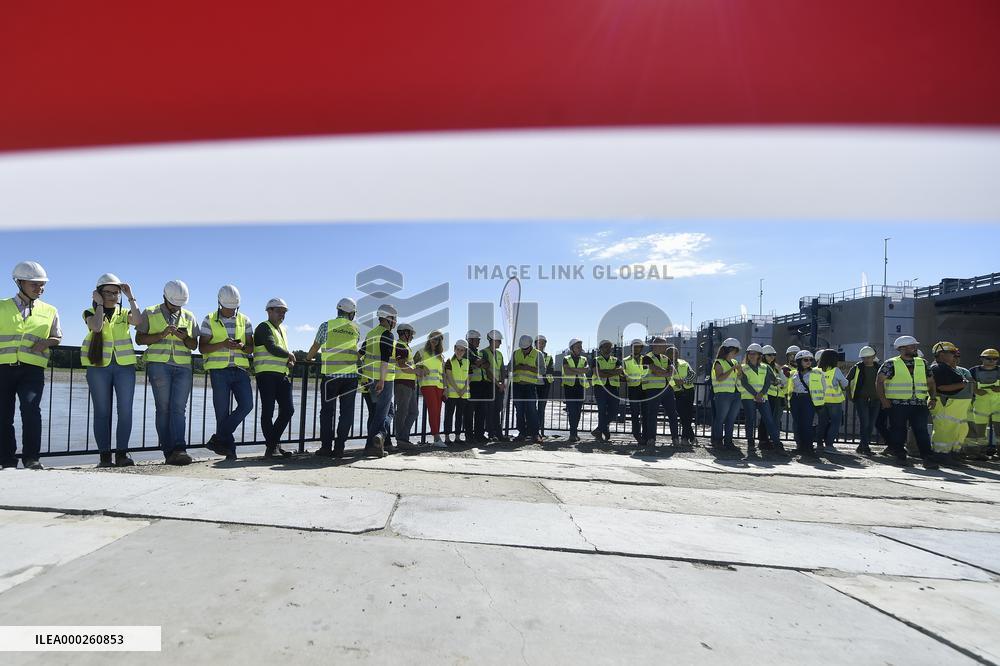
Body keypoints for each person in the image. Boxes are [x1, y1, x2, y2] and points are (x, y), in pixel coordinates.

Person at [0, 261, 62, 470]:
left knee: (31, 411)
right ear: (19, 282)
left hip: (32, 370)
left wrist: (46, 342)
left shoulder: (50, 310)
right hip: (3, 369)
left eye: (42, 284)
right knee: (3, 415)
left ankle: (31, 458)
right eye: (34, 284)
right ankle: (7, 459)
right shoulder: (2, 306)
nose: (39, 288)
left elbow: (57, 337)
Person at [135, 280, 198, 465]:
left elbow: (194, 345)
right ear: (164, 297)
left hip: (183, 366)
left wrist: (185, 337)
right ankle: (168, 451)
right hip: (159, 365)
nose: (176, 307)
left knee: (179, 409)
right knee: (163, 409)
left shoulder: (189, 315)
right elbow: (139, 339)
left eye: (179, 304)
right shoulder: (150, 312)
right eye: (173, 304)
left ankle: (180, 449)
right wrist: (161, 335)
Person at [82, 273, 141, 468]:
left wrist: (131, 296)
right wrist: (99, 305)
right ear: (99, 293)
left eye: (116, 292)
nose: (114, 296)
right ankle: (104, 457)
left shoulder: (124, 314)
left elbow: (139, 321)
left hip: (124, 367)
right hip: (98, 368)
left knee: (125, 412)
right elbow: (97, 327)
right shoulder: (88, 312)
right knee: (102, 412)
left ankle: (122, 454)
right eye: (108, 292)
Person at [200, 285, 255, 461]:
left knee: (247, 405)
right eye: (227, 308)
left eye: (234, 308)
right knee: (222, 413)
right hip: (218, 371)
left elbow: (250, 348)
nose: (231, 311)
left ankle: (218, 439)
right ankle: (230, 451)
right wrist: (222, 344)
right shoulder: (209, 320)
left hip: (240, 370)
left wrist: (241, 347)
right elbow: (202, 347)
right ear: (219, 303)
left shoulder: (245, 320)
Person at [306, 297, 360, 458]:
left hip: (331, 377)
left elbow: (315, 346)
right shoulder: (355, 329)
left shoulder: (326, 326)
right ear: (351, 313)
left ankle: (325, 448)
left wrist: (308, 359)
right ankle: (339, 448)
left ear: (338, 310)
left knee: (327, 412)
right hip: (350, 377)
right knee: (347, 413)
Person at [876, 335, 939, 469]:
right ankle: (900, 454)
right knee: (898, 430)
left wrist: (933, 398)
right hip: (898, 405)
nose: (915, 348)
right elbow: (879, 381)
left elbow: (931, 382)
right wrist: (884, 400)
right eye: (912, 346)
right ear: (902, 348)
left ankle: (928, 457)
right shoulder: (891, 363)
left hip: (919, 404)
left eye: (915, 346)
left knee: (921, 431)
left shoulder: (923, 363)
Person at [253, 298, 296, 459]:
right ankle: (273, 447)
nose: (282, 315)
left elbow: (279, 350)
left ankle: (272, 445)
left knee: (288, 410)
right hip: (266, 374)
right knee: (268, 412)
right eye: (278, 311)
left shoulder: (282, 330)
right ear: (269, 311)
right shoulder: (264, 327)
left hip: (281, 374)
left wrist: (288, 361)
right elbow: (271, 347)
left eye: (284, 312)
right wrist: (289, 354)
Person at [361, 304, 398, 456]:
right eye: (394, 319)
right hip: (384, 380)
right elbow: (384, 360)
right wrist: (382, 380)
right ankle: (376, 441)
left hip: (369, 378)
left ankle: (376, 441)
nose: (395, 322)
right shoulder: (387, 335)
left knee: (381, 413)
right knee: (383, 414)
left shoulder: (371, 334)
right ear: (389, 318)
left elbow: (361, 353)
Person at [738, 343, 787, 458]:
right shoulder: (743, 367)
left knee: (769, 420)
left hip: (762, 397)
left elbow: (769, 381)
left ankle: (777, 445)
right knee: (750, 420)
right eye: (749, 353)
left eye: (754, 353)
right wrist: (756, 394)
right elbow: (744, 382)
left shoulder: (766, 367)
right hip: (749, 397)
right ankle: (751, 444)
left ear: (759, 355)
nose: (751, 355)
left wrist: (761, 394)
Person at [929, 341, 972, 464]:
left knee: (952, 429)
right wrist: (962, 384)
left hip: (950, 404)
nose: (955, 355)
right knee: (944, 429)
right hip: (945, 402)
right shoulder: (938, 368)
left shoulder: (945, 367)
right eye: (952, 353)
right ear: (941, 354)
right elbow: (941, 387)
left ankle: (948, 453)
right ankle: (941, 454)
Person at [846, 346, 886, 456]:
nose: (866, 360)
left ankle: (861, 446)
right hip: (861, 399)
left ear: (873, 357)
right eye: (864, 358)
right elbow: (847, 382)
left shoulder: (879, 368)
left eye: (868, 357)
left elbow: (885, 383)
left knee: (871, 423)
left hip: (876, 399)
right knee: (865, 423)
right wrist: (850, 396)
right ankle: (865, 447)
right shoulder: (856, 368)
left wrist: (883, 399)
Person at [641, 336, 678, 450]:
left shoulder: (666, 358)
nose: (666, 347)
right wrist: (666, 372)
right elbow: (655, 370)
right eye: (664, 345)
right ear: (656, 345)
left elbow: (673, 370)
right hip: (653, 389)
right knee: (652, 415)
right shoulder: (647, 358)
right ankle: (651, 439)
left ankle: (675, 438)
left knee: (673, 414)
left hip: (667, 389)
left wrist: (665, 373)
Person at [788, 350, 823, 460]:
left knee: (807, 424)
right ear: (799, 361)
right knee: (797, 423)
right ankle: (800, 446)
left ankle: (809, 447)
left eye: (810, 360)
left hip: (808, 399)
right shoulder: (793, 373)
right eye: (805, 360)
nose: (809, 362)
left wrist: (819, 401)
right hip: (795, 399)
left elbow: (823, 387)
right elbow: (789, 386)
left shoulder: (817, 373)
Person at [815, 349, 849, 455]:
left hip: (820, 401)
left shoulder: (816, 370)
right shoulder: (835, 370)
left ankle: (819, 444)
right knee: (835, 423)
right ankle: (829, 445)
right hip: (834, 401)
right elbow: (845, 384)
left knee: (822, 423)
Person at [710, 338, 742, 449]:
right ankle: (717, 441)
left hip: (736, 394)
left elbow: (739, 377)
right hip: (723, 394)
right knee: (720, 418)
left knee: (731, 419)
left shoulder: (734, 362)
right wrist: (732, 369)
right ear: (728, 350)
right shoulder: (718, 362)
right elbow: (719, 378)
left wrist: (740, 371)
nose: (736, 353)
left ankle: (728, 441)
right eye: (735, 351)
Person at [416, 330, 446, 447]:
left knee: (438, 412)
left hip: (439, 387)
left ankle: (436, 438)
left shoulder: (440, 356)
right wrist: (422, 367)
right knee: (433, 411)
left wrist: (445, 388)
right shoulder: (421, 352)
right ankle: (436, 437)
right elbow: (414, 366)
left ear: (440, 341)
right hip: (427, 385)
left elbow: (442, 373)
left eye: (437, 339)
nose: (435, 340)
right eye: (433, 338)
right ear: (429, 339)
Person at [968, 348, 1000, 460]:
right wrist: (975, 390)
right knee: (979, 430)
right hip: (980, 404)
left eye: (995, 358)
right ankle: (980, 452)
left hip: (998, 404)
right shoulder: (973, 371)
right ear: (982, 358)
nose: (992, 360)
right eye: (988, 358)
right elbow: (967, 384)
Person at [392, 323, 420, 449]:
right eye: (411, 334)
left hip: (409, 383)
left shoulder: (405, 347)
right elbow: (402, 365)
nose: (412, 337)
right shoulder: (400, 346)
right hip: (402, 383)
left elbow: (406, 364)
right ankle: (401, 439)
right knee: (403, 412)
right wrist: (416, 371)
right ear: (405, 333)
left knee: (413, 412)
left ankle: (403, 437)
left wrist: (416, 368)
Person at [512, 334, 544, 443]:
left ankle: (535, 433)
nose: (524, 350)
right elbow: (510, 367)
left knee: (532, 410)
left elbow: (543, 371)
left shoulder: (538, 354)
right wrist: (518, 367)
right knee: (519, 411)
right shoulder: (516, 353)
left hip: (530, 386)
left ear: (531, 346)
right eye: (522, 348)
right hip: (517, 386)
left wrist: (529, 368)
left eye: (526, 349)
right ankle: (522, 433)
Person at [591, 339, 623, 442]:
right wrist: (612, 372)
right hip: (600, 387)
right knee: (602, 410)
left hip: (613, 387)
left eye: (610, 347)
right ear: (600, 349)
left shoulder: (616, 360)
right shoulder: (596, 360)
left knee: (614, 411)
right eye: (606, 346)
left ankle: (599, 429)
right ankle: (602, 432)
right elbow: (598, 373)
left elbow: (620, 370)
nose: (608, 349)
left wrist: (605, 372)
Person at [756, 345, 786, 451]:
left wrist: (780, 375)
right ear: (763, 356)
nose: (772, 357)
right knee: (765, 418)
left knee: (770, 419)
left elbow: (783, 381)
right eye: (769, 355)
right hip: (767, 395)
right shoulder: (761, 366)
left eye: (774, 355)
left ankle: (767, 440)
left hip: (775, 396)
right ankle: (763, 440)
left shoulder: (776, 367)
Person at [561, 338, 589, 442]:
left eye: (580, 346)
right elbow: (567, 372)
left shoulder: (584, 359)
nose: (580, 348)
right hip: (570, 387)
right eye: (578, 347)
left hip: (580, 387)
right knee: (572, 411)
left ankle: (574, 432)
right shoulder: (566, 358)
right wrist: (579, 371)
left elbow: (586, 370)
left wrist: (574, 370)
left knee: (578, 411)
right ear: (572, 348)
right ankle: (572, 434)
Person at [465, 330, 490, 444]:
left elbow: (486, 364)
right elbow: (478, 363)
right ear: (470, 340)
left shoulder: (479, 352)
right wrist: (478, 363)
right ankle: (469, 436)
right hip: (472, 385)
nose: (479, 341)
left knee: (482, 411)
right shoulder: (466, 351)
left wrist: (478, 363)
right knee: (469, 412)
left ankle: (479, 435)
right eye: (477, 339)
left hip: (482, 384)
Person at [668, 345, 696, 445]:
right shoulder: (666, 365)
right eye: (672, 353)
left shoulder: (684, 363)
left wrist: (683, 381)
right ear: (667, 355)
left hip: (689, 390)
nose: (675, 355)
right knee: (683, 416)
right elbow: (666, 379)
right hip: (677, 392)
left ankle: (685, 438)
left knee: (688, 416)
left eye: (676, 353)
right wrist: (676, 383)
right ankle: (691, 437)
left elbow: (692, 374)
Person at [444, 339, 470, 445]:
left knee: (460, 416)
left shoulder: (467, 362)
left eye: (462, 350)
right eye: (458, 349)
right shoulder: (449, 361)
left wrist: (463, 390)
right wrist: (458, 390)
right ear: (454, 349)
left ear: (465, 351)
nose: (459, 351)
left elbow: (469, 377)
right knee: (449, 415)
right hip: (452, 394)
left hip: (463, 394)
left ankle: (458, 437)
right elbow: (449, 377)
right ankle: (446, 437)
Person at [483, 330, 508, 442]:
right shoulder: (484, 353)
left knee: (497, 409)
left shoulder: (500, 354)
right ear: (492, 341)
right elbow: (487, 371)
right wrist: (498, 384)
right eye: (498, 341)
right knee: (490, 410)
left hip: (498, 386)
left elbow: (502, 369)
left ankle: (497, 433)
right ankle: (492, 433)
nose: (500, 343)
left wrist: (502, 383)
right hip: (488, 385)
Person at [622, 339, 646, 445]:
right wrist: (626, 377)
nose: (636, 348)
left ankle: (646, 435)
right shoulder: (625, 360)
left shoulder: (646, 359)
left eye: (638, 347)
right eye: (634, 346)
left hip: (645, 388)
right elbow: (622, 373)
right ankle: (637, 435)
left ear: (641, 348)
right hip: (633, 388)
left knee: (646, 413)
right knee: (635, 413)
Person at [535, 335, 554, 437]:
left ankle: (539, 430)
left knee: (541, 408)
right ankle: (531, 430)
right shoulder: (532, 355)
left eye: (543, 343)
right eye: (539, 342)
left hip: (544, 385)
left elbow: (550, 370)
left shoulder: (549, 357)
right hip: (532, 383)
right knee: (531, 408)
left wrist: (538, 370)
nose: (541, 345)